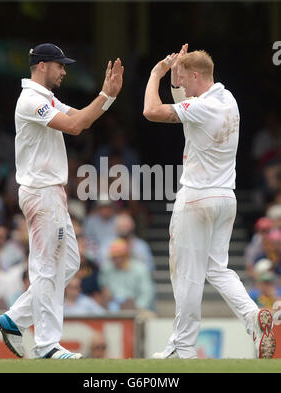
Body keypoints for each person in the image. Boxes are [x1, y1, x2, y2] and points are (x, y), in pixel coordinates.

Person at [143, 43, 275, 359]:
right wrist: (176, 78)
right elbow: (187, 106)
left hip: (196, 198)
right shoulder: (226, 99)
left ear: (198, 75)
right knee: (218, 269)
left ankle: (183, 347)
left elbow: (151, 111)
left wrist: (156, 74)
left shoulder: (204, 107)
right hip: (224, 198)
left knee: (186, 273)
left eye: (186, 79)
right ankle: (251, 316)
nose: (183, 85)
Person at [0, 42, 124, 360]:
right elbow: (75, 126)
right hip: (41, 192)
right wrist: (106, 96)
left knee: (68, 263)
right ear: (42, 66)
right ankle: (46, 345)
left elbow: (81, 118)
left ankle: (16, 318)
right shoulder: (30, 101)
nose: (64, 71)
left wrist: (107, 95)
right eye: (60, 66)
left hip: (51, 192)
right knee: (45, 268)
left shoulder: (45, 98)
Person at [99, 238, 154, 311]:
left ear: (126, 255)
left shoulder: (140, 269)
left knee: (147, 317)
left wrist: (136, 308)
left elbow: (146, 294)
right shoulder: (106, 269)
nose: (116, 259)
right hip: (112, 309)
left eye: (119, 256)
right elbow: (103, 290)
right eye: (114, 257)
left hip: (137, 309)